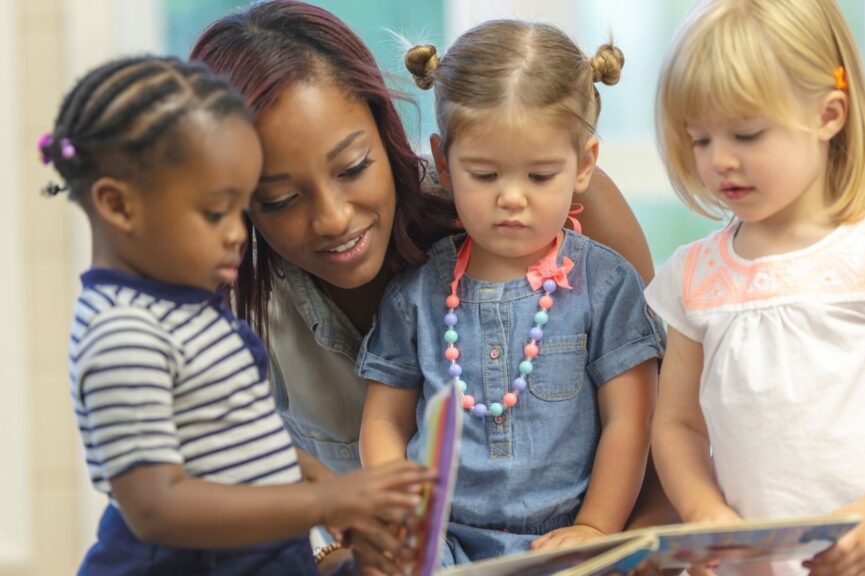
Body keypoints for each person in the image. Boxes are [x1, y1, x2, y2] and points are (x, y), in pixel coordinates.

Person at [190, 1, 677, 571]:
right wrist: (366, 547)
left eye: (351, 168)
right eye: (279, 199)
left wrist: (608, 548)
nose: (334, 219)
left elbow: (654, 436)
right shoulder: (243, 311)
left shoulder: (585, 241)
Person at [44, 54, 433, 575]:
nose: (235, 233)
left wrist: (330, 488)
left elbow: (243, 443)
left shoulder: (190, 309)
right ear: (118, 205)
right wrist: (324, 505)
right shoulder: (123, 332)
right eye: (215, 212)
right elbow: (156, 508)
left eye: (240, 210)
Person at [646, 1, 865, 575]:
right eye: (700, 139)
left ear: (829, 115)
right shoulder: (694, 275)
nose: (720, 160)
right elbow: (676, 423)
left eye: (746, 133)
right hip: (759, 561)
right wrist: (703, 508)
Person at [357, 20, 664, 567]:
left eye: (541, 176)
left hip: (565, 538)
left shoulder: (607, 285)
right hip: (441, 539)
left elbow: (630, 419)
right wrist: (401, 514)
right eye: (485, 174)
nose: (512, 199)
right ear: (445, 164)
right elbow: (383, 420)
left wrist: (597, 525)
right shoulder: (416, 295)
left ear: (584, 164)